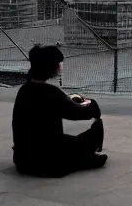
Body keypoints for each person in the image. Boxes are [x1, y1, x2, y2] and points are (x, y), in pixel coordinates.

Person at [12, 45, 107, 177]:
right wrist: (93, 106)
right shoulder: (51, 93)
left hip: (23, 159)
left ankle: (85, 156)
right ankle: (86, 158)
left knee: (71, 142)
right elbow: (77, 113)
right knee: (85, 143)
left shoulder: (24, 90)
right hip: (48, 161)